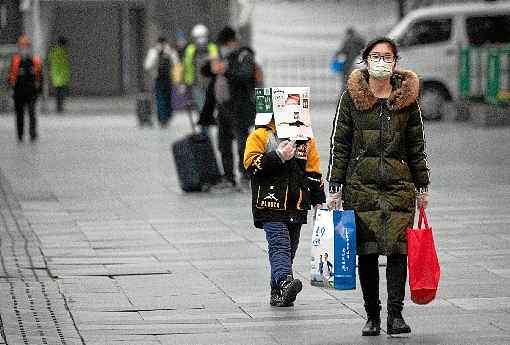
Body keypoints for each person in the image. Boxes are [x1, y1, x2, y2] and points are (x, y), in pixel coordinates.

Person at [327, 37, 430, 336]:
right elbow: (341, 142)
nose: (381, 61)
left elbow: (416, 146)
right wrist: (336, 183)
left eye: (387, 56)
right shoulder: (351, 98)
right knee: (367, 251)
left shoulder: (407, 100)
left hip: (399, 185)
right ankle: (372, 315)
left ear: (396, 62)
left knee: (399, 250)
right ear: (366, 60)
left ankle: (395, 316)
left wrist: (422, 186)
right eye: (376, 56)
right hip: (362, 186)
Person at [244, 116, 326, 307]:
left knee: (290, 248)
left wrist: (319, 201)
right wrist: (277, 156)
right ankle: (285, 281)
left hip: (296, 205)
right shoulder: (261, 135)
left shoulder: (305, 139)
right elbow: (250, 165)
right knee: (279, 244)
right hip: (270, 204)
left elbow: (313, 172)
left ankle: (278, 291)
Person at [209, 26, 256, 189]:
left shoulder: (245, 56)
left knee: (243, 141)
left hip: (240, 106)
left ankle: (245, 174)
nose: (224, 47)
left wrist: (226, 70)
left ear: (232, 42)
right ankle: (228, 177)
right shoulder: (227, 57)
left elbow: (245, 76)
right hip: (224, 106)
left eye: (225, 44)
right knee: (224, 141)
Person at [8, 34, 43, 142]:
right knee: (19, 115)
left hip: (31, 92)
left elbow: (40, 78)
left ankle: (33, 134)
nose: (24, 49)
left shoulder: (35, 61)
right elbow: (11, 77)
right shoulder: (15, 61)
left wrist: (40, 92)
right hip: (19, 93)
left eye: (26, 46)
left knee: (32, 113)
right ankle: (20, 135)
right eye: (22, 46)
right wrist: (10, 90)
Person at [144, 36, 181, 127]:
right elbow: (147, 66)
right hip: (163, 79)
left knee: (164, 99)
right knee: (163, 99)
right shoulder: (164, 52)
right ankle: (163, 119)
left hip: (164, 79)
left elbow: (147, 66)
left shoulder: (165, 52)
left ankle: (164, 119)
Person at [183, 24, 218, 112]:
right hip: (196, 82)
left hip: (210, 82)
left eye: (202, 37)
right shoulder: (190, 50)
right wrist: (186, 81)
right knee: (201, 104)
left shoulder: (212, 47)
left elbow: (216, 62)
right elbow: (187, 66)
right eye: (198, 37)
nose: (201, 40)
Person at [48, 36, 71, 113]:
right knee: (60, 93)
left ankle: (59, 107)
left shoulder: (54, 51)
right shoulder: (62, 52)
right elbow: (64, 65)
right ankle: (59, 108)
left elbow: (50, 61)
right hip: (61, 75)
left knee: (58, 93)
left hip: (56, 75)